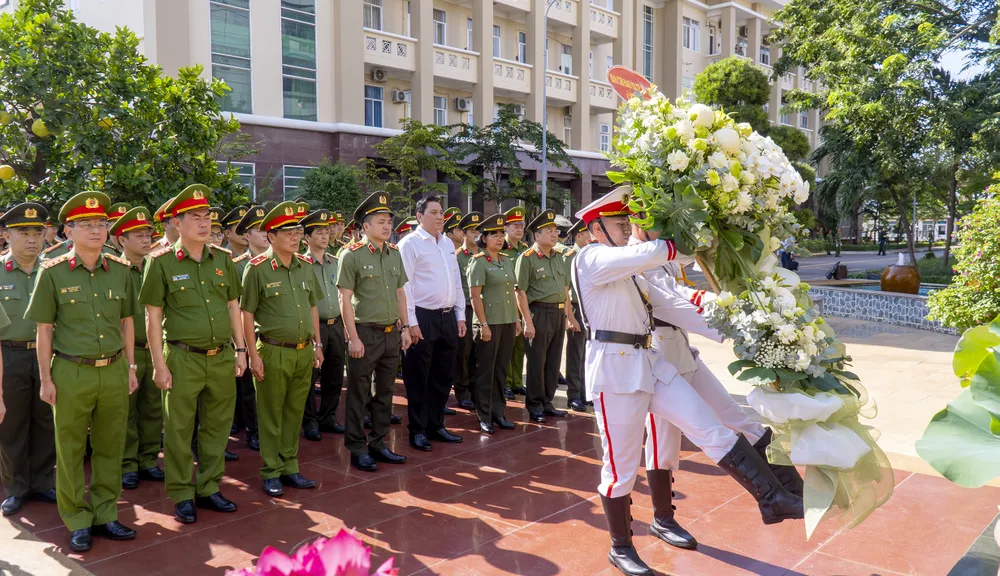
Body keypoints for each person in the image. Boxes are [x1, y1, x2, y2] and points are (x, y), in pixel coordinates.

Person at [573, 190, 803, 576]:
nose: (628, 228)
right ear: (596, 229)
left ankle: (772, 498)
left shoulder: (631, 273)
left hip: (651, 361)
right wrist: (682, 233)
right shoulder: (592, 258)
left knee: (711, 427)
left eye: (629, 222)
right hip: (615, 371)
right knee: (621, 467)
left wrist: (735, 322)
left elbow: (671, 303)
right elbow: (641, 254)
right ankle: (621, 546)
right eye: (619, 224)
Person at [25, 191, 139, 553]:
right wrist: (45, 378)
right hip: (71, 371)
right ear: (68, 230)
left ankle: (106, 512)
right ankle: (76, 518)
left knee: (110, 445)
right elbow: (44, 330)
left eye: (102, 224)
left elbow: (127, 322)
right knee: (70, 449)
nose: (96, 230)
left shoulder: (120, 270)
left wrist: (132, 366)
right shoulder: (53, 272)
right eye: (87, 224)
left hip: (115, 369)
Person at [139, 184, 248, 525]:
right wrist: (158, 363)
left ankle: (209, 487)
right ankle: (182, 493)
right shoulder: (160, 263)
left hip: (221, 356)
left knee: (216, 427)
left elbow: (233, 306)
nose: (204, 224)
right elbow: (152, 317)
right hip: (182, 357)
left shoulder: (224, 260)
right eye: (195, 218)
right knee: (179, 429)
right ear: (177, 223)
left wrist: (241, 349)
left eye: (207, 217)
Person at [241, 202, 324, 497]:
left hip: (303, 351)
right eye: (287, 232)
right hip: (273, 351)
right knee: (270, 413)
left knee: (294, 412)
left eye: (298, 231)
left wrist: (317, 344)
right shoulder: (258, 269)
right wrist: (252, 354)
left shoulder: (304, 266)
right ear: (271, 236)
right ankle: (271, 470)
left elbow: (313, 305)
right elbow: (246, 314)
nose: (295, 236)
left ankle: (290, 466)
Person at [337, 192, 412, 472]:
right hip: (364, 333)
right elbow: (344, 299)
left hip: (391, 333)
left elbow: (400, 292)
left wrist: (404, 327)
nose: (386, 226)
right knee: (358, 392)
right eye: (380, 222)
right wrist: (353, 336)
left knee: (385, 391)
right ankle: (357, 448)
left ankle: (379, 443)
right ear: (365, 227)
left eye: (388, 221)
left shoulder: (394, 254)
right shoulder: (351, 255)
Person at [398, 196, 466, 451]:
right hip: (422, 317)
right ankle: (417, 429)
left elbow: (456, 281)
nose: (440, 217)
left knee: (442, 375)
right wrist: (411, 322)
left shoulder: (447, 243)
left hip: (447, 316)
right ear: (419, 215)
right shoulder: (410, 244)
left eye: (442, 213)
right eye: (434, 212)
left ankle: (436, 425)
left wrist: (460, 315)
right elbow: (404, 286)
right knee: (418, 377)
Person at [0, 203, 54, 517]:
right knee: (12, 424)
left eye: (37, 231)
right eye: (23, 232)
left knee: (46, 420)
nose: (32, 238)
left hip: (50, 355)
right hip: (11, 354)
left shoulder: (55, 269)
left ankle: (44, 482)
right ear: (7, 235)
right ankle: (16, 487)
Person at [112, 207, 165, 490]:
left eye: (149, 235)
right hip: (126, 352)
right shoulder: (114, 269)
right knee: (126, 410)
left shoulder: (157, 266)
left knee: (153, 408)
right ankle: (127, 463)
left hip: (153, 348)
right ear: (122, 240)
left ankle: (148, 459)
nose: (146, 240)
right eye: (139, 235)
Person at [515, 210, 578, 423]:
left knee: (553, 360)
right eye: (549, 231)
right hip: (538, 312)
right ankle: (534, 404)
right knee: (536, 361)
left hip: (558, 312)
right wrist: (527, 321)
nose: (554, 234)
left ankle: (547, 401)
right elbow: (520, 292)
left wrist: (570, 316)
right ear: (537, 235)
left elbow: (565, 288)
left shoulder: (560, 257)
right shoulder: (527, 259)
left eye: (555, 230)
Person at [467, 214, 519, 434]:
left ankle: (499, 411)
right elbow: (475, 297)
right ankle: (484, 414)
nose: (499, 238)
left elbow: (513, 292)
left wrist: (516, 320)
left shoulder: (506, 260)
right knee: (485, 371)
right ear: (484, 238)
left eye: (501, 234)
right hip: (489, 323)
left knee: (501, 369)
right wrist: (484, 324)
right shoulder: (479, 261)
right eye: (493, 235)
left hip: (506, 321)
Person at [300, 209, 348, 438]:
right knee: (310, 377)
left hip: (336, 325)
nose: (324, 235)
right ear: (306, 237)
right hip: (313, 327)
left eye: (326, 231)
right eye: (318, 232)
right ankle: (309, 421)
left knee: (335, 375)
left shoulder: (336, 263)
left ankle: (328, 416)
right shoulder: (301, 265)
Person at [229, 205, 265, 451]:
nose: (264, 234)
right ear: (246, 236)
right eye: (258, 230)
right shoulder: (239, 265)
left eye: (267, 230)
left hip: (272, 334)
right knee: (250, 389)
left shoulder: (275, 262)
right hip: (248, 334)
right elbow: (235, 306)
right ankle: (253, 430)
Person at [452, 212, 481, 411]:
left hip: (482, 310)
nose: (476, 234)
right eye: (472, 231)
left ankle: (475, 388)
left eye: (479, 231)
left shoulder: (484, 255)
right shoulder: (456, 257)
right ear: (463, 234)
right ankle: (462, 390)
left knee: (479, 353)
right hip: (465, 310)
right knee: (463, 353)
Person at [501, 206, 530, 399]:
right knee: (507, 346)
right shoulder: (501, 248)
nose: (519, 230)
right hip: (506, 302)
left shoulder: (524, 250)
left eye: (522, 226)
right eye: (515, 226)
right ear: (506, 228)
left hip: (522, 301)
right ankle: (506, 383)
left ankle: (517, 382)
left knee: (520, 346)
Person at [564, 219, 590, 412]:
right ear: (578, 235)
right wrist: (569, 317)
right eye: (587, 233)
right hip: (574, 307)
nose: (591, 237)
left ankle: (584, 392)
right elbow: (565, 289)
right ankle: (574, 395)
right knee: (575, 354)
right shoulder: (569, 256)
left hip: (588, 309)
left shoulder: (590, 255)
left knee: (587, 353)